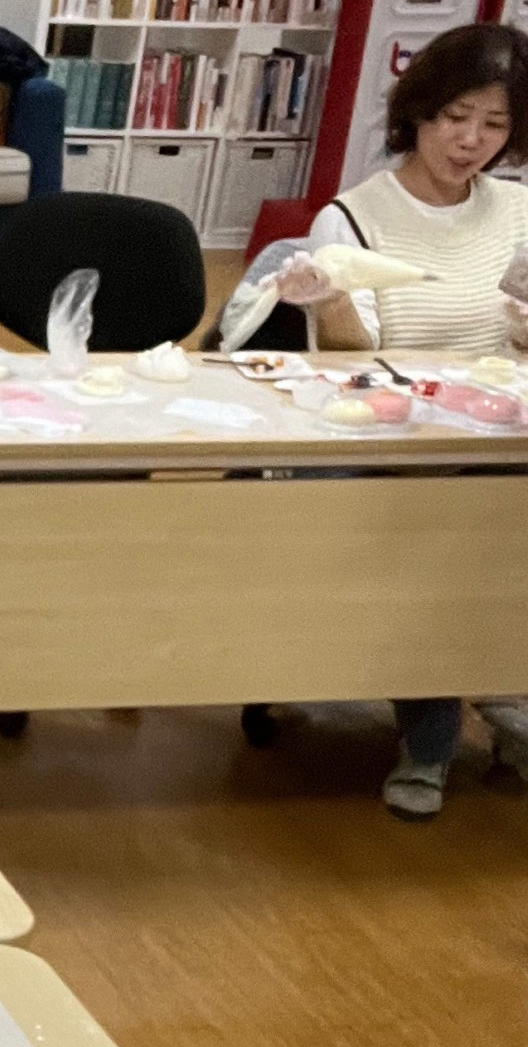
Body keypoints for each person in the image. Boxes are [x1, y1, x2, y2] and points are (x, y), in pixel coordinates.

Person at [272, 23, 528, 820]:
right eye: (457, 116)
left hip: (502, 432)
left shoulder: (519, 210)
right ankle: (432, 732)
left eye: (494, 124)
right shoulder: (352, 217)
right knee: (429, 540)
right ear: (417, 112)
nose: (472, 141)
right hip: (402, 440)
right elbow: (351, 354)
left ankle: (501, 684)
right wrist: (329, 297)